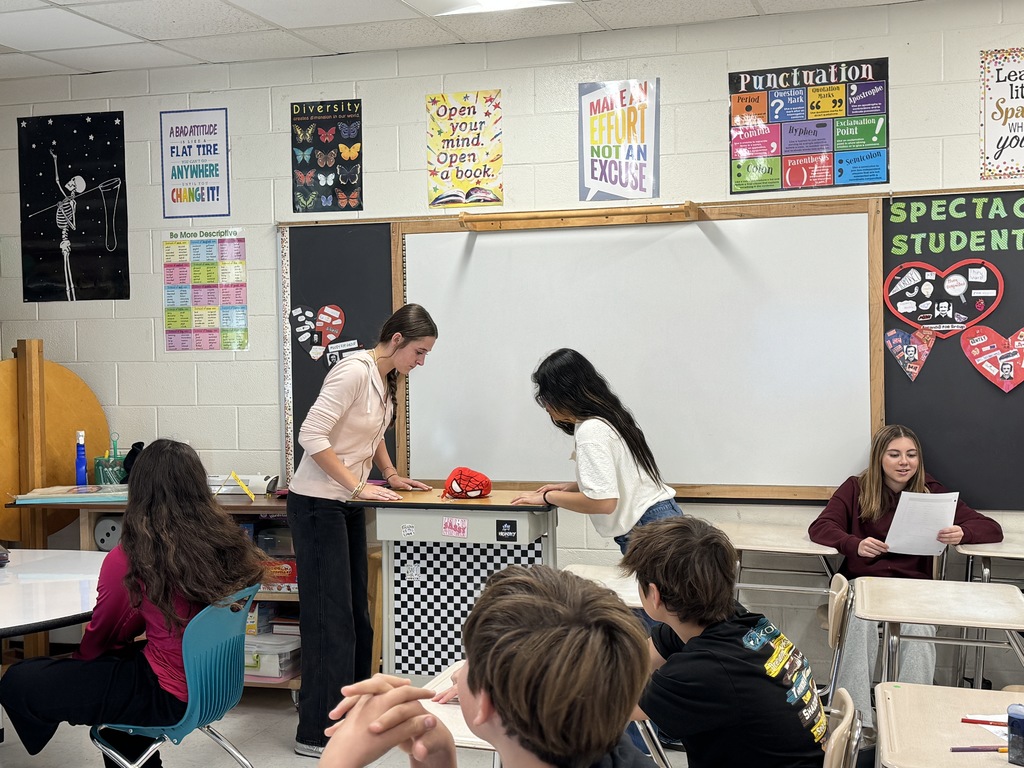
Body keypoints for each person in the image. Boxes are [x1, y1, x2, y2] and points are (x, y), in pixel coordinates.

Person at [0, 439, 267, 768]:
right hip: (211, 684)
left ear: (138, 489)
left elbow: (106, 635)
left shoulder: (134, 554)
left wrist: (82, 669)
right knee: (110, 682)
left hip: (167, 693)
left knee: (20, 679)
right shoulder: (225, 541)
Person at [318, 564, 656, 768]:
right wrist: (438, 755)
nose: (457, 672)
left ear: (486, 703)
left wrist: (338, 759)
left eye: (467, 663)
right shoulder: (614, 751)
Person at [287, 303, 438, 757]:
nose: (422, 362)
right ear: (396, 341)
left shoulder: (387, 379)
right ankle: (315, 733)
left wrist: (390, 475)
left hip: (346, 503)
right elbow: (311, 437)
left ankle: (349, 719)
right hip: (317, 505)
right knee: (329, 623)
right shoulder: (352, 371)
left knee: (357, 618)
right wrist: (358, 485)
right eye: (420, 351)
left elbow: (373, 437)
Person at [807, 423, 1003, 729]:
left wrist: (964, 531)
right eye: (894, 454)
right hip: (866, 584)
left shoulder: (932, 491)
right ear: (879, 458)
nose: (904, 462)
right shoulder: (856, 488)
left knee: (920, 627)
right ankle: (856, 722)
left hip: (914, 588)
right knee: (859, 622)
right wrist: (854, 544)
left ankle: (912, 718)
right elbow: (820, 527)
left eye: (911, 455)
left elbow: (992, 528)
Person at [620, 516, 827, 768]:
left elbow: (610, 706)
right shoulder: (731, 617)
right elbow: (639, 658)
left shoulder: (705, 669)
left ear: (654, 595)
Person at [511, 348, 681, 554]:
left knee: (655, 588)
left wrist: (549, 497)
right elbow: (624, 475)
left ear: (564, 394)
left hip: (648, 530)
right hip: (659, 521)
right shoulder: (608, 418)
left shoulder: (591, 431)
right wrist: (575, 486)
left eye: (546, 397)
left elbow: (603, 502)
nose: (546, 406)